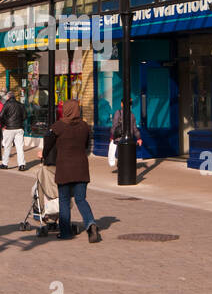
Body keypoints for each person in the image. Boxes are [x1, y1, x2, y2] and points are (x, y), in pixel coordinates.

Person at [49, 99, 100, 241]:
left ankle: (65, 232)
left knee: (64, 200)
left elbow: (48, 143)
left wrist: (46, 154)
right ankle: (91, 223)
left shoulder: (58, 126)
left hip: (65, 168)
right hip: (81, 168)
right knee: (80, 199)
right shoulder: (84, 126)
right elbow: (85, 146)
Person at [0, 90, 27, 171]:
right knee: (20, 147)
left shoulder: (7, 104)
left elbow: (1, 115)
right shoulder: (20, 105)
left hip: (9, 128)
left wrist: (3, 125)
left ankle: (5, 164)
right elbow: (25, 116)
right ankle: (21, 164)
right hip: (19, 128)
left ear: (8, 97)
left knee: (7, 146)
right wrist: (20, 122)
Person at [108, 103, 142, 170]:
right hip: (129, 138)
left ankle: (122, 168)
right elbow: (135, 128)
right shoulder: (132, 115)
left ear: (121, 104)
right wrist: (139, 138)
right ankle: (124, 167)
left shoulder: (118, 113)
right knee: (126, 153)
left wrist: (112, 136)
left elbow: (114, 126)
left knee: (121, 152)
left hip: (119, 137)